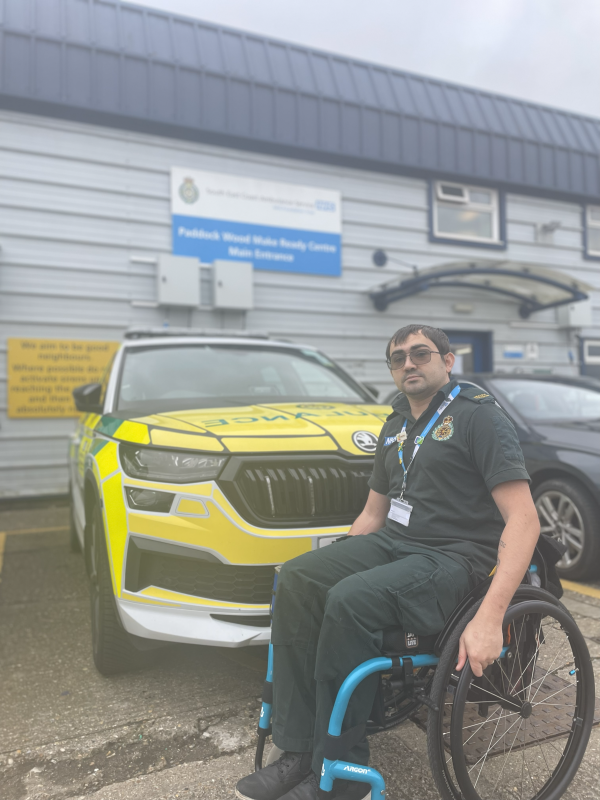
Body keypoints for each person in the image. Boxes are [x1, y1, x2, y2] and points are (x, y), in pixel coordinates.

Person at [236, 324, 540, 800]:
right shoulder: (396, 421)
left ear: (448, 360)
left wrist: (490, 618)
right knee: (298, 578)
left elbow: (524, 521)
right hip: (396, 542)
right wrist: (337, 557)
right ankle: (298, 748)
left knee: (350, 600)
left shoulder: (478, 416)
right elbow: (373, 515)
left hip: (455, 557)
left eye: (420, 353)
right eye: (398, 358)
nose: (408, 364)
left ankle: (341, 773)